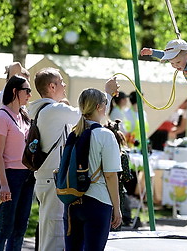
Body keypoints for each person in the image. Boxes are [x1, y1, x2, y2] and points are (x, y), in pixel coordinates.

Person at [28, 67, 119, 251]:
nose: (64, 85)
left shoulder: (40, 110)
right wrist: (107, 94)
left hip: (51, 180)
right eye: (61, 81)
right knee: (53, 239)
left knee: (51, 235)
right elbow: (87, 113)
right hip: (59, 183)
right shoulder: (54, 109)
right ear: (52, 86)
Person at [64, 88, 122, 250]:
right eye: (105, 103)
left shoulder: (74, 132)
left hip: (72, 200)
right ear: (99, 107)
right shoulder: (106, 135)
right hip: (98, 201)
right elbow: (110, 175)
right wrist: (117, 208)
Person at [0, 75, 33, 250]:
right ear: (15, 91)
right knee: (4, 227)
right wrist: (4, 185)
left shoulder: (24, 114)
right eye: (27, 90)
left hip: (27, 176)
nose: (30, 94)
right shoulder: (1, 116)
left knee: (21, 227)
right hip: (10, 176)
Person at [105, 119, 134, 229]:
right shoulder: (122, 155)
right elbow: (127, 177)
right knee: (116, 223)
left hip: (101, 190)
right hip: (118, 191)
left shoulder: (101, 153)